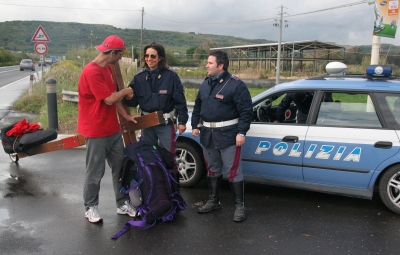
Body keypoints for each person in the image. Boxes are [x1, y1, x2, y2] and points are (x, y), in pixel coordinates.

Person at [77, 35, 139, 223]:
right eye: (120, 54)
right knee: (95, 172)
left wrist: (127, 116)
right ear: (112, 53)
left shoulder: (109, 68)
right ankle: (90, 207)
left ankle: (122, 203)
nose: (121, 57)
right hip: (95, 131)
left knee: (120, 169)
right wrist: (126, 91)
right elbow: (109, 99)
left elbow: (114, 98)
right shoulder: (92, 71)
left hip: (112, 130)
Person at [191, 50, 253, 222]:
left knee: (233, 172)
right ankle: (214, 201)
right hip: (208, 136)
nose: (206, 65)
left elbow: (246, 111)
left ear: (220, 65)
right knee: (212, 169)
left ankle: (239, 206)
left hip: (229, 136)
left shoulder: (236, 85)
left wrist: (241, 132)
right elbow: (197, 107)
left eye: (210, 63)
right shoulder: (205, 84)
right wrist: (195, 125)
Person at [125, 42, 188, 185]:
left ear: (160, 58)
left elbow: (180, 101)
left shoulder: (171, 76)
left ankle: (172, 191)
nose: (149, 59)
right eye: (146, 56)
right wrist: (127, 95)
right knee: (148, 156)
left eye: (153, 56)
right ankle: (153, 190)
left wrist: (183, 121)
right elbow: (133, 102)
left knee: (168, 157)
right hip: (146, 123)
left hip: (165, 123)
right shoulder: (139, 77)